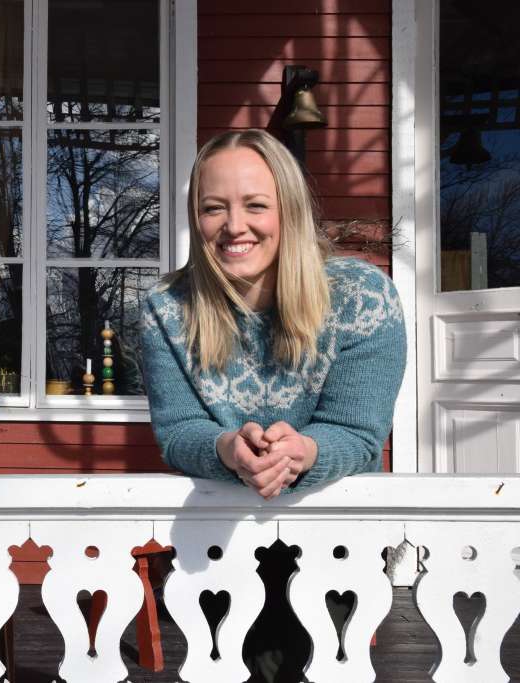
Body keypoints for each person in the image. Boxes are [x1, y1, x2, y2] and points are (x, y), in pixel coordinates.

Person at [141, 129, 406, 681]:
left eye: (255, 205)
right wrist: (225, 448)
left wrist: (302, 451)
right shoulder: (166, 308)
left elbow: (358, 432)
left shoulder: (363, 296)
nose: (234, 225)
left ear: (289, 210)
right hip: (222, 544)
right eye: (214, 208)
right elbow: (178, 430)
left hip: (333, 543)